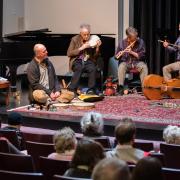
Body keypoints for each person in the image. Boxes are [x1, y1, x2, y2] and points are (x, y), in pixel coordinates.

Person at [67, 24, 102, 94]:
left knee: (93, 68)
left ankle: (91, 89)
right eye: (84, 35)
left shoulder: (93, 40)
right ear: (80, 34)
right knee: (79, 68)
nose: (86, 36)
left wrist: (97, 48)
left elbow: (96, 56)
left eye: (88, 34)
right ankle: (72, 89)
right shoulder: (75, 39)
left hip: (89, 60)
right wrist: (81, 48)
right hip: (77, 60)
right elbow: (69, 53)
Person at [115, 27, 148, 94]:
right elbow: (116, 57)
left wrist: (131, 52)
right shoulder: (122, 43)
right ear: (128, 37)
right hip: (126, 62)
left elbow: (142, 55)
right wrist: (119, 54)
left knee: (144, 67)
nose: (136, 38)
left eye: (136, 37)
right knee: (121, 66)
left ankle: (145, 88)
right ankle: (121, 87)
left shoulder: (140, 42)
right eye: (134, 38)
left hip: (137, 62)